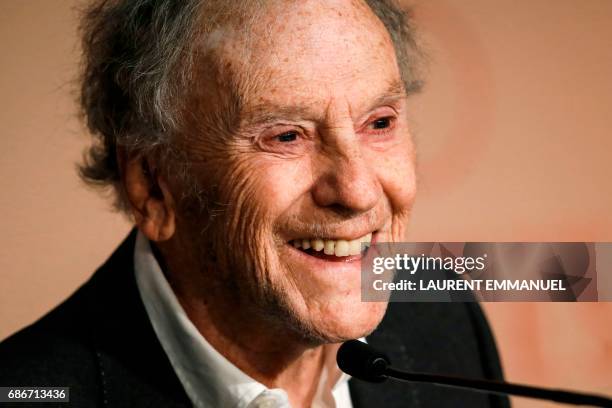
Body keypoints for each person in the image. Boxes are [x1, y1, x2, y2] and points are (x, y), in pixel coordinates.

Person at [0, 1, 508, 407]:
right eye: (286, 136)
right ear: (153, 185)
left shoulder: (443, 316)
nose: (357, 191)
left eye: (379, 123)